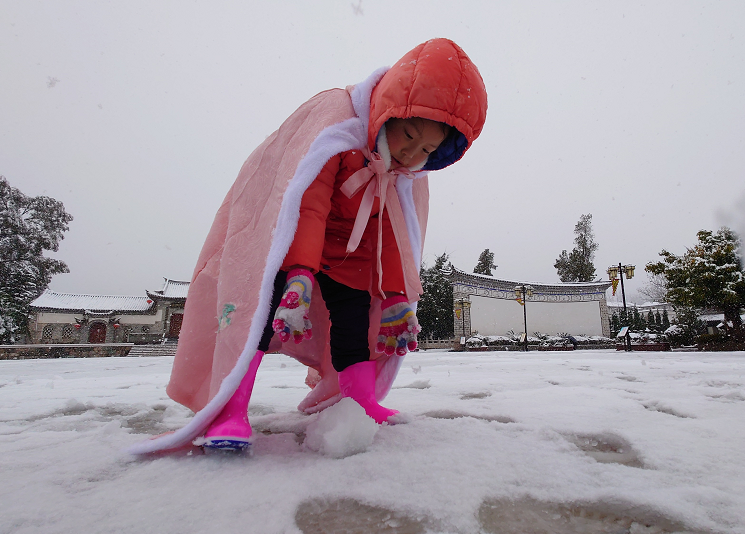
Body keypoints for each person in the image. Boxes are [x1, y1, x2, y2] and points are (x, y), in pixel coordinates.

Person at [127, 38, 487, 455]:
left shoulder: (401, 175)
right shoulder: (334, 132)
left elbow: (393, 236)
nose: (410, 153)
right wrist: (299, 274)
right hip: (299, 244)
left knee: (353, 326)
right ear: (390, 108)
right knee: (256, 315)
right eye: (407, 134)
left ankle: (357, 401)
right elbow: (308, 206)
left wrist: (394, 297)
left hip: (351, 261)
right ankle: (230, 406)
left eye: (426, 150)